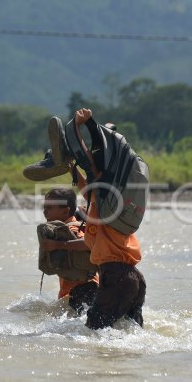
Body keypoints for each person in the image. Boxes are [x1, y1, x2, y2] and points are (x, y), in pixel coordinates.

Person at [58, 108, 147, 329]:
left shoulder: (104, 203)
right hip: (134, 278)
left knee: (93, 333)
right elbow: (86, 185)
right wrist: (71, 169)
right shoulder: (108, 205)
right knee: (128, 334)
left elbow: (88, 157)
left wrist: (86, 123)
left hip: (115, 276)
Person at [40, 187, 99, 313]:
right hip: (83, 290)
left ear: (65, 212)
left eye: (49, 208)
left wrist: (58, 245)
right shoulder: (77, 224)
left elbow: (89, 243)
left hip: (83, 291)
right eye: (44, 208)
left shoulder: (71, 229)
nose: (45, 212)